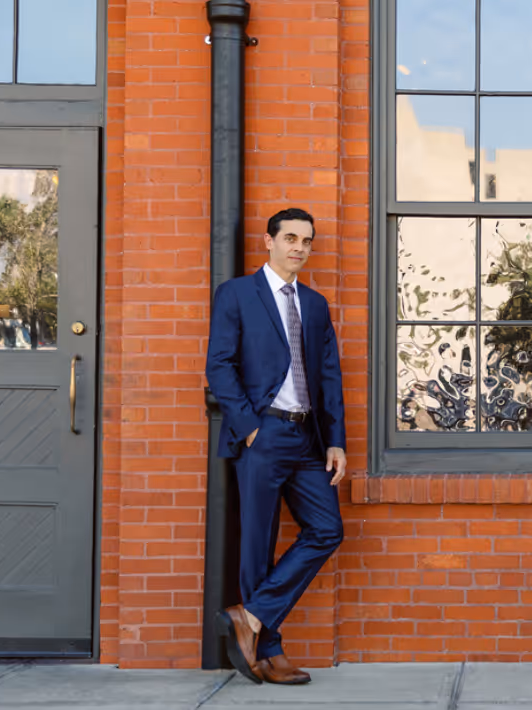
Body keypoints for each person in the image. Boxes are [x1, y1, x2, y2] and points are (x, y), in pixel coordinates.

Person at [205, 207, 347, 685]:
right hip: (263, 434)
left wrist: (336, 441)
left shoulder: (316, 304)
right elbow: (219, 364)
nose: (299, 248)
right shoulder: (237, 294)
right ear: (269, 241)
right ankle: (268, 650)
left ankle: (251, 617)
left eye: (306, 241)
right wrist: (249, 427)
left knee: (326, 529)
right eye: (290, 238)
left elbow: (329, 377)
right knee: (258, 544)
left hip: (308, 438)